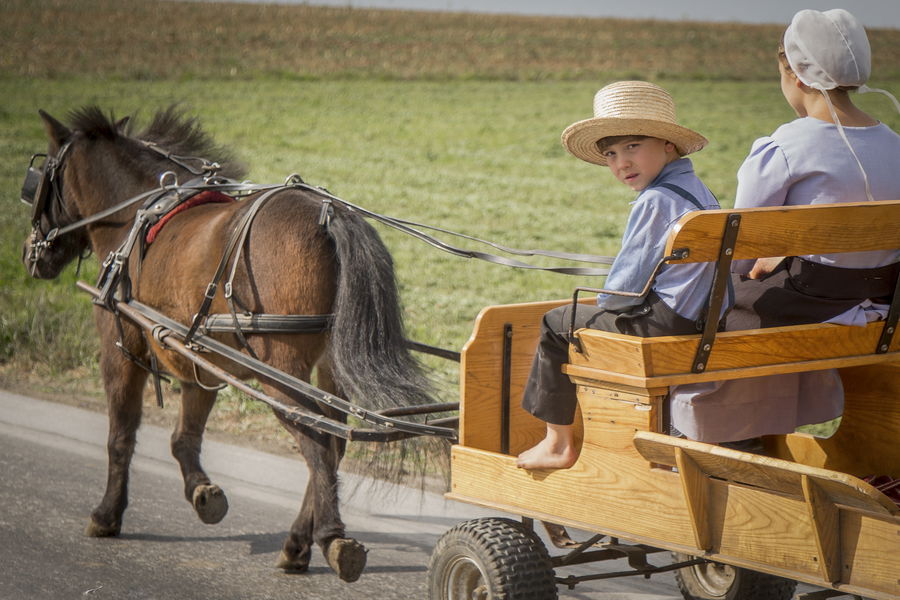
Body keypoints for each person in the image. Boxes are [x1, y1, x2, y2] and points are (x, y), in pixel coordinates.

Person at [670, 8, 900, 446]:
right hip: (884, 305)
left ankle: (704, 433)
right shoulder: (895, 145)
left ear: (795, 76)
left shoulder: (785, 147)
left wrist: (764, 262)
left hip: (808, 305)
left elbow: (739, 256)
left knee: (698, 313)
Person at [516, 80, 725, 470]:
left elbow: (621, 295)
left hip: (662, 326)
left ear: (668, 144)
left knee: (557, 323)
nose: (621, 163)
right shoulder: (699, 191)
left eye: (632, 147)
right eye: (611, 153)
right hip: (701, 320)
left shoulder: (654, 201)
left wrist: (607, 299)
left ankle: (557, 443)